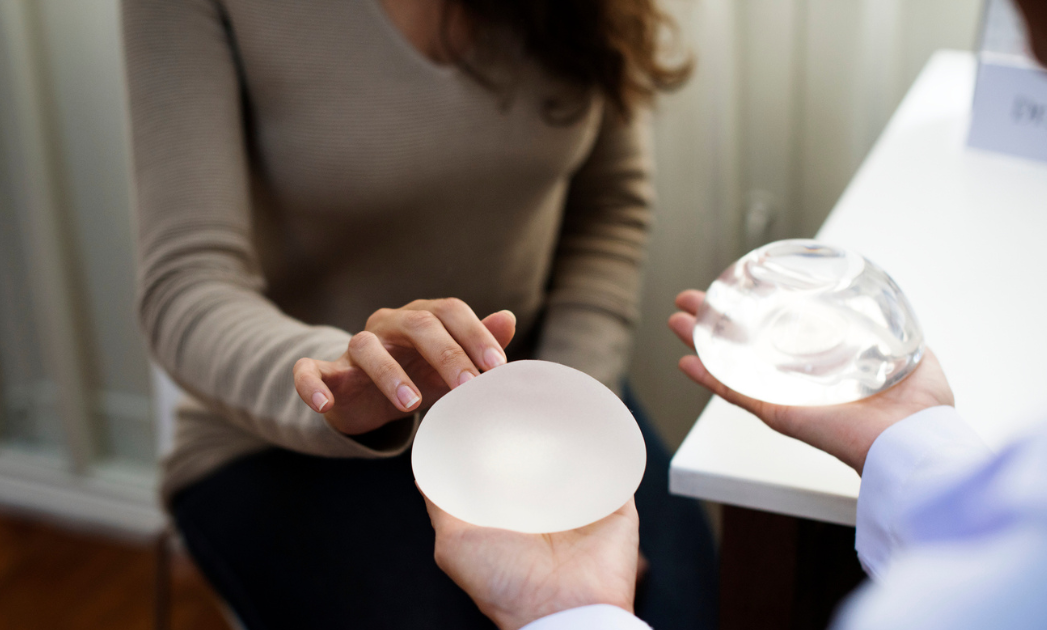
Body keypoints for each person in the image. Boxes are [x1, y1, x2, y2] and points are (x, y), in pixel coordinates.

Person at [424, 1, 1047, 627]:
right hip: (368, 418)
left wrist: (568, 609)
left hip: (556, 375)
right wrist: (918, 440)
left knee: (688, 595)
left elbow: (610, 201)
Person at [123, 0, 716, 628]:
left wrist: (564, 417)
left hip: (527, 390)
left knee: (685, 607)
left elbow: (610, 205)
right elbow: (185, 284)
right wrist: (338, 382)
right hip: (290, 440)